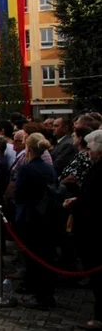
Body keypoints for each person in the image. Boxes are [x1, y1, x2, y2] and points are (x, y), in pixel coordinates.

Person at [64, 130, 102, 330]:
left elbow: (95, 200)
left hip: (94, 228)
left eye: (91, 149)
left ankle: (100, 317)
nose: (88, 152)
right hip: (88, 223)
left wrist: (77, 204)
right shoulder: (96, 166)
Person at [15, 133, 58, 310]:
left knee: (34, 256)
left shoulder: (27, 169)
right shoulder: (49, 168)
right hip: (46, 215)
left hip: (30, 215)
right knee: (45, 255)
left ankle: (41, 295)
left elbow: (19, 194)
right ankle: (41, 291)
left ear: (29, 148)